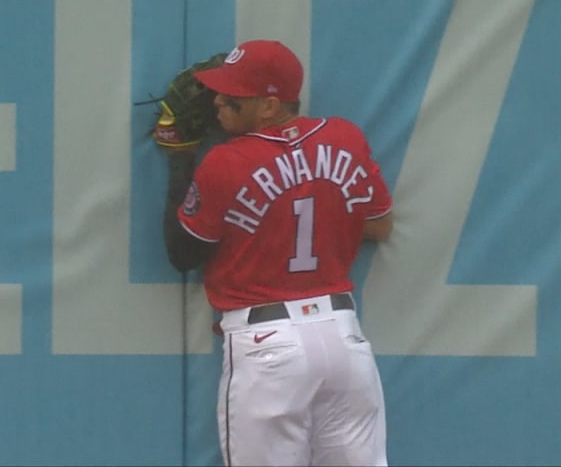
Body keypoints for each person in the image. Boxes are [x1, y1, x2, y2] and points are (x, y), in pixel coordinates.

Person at [161, 40, 393, 466]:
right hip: (343, 338)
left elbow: (183, 253)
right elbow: (379, 224)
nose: (217, 100)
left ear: (269, 106)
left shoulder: (224, 162)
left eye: (231, 95)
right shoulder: (345, 138)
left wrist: (180, 156)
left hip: (267, 345)